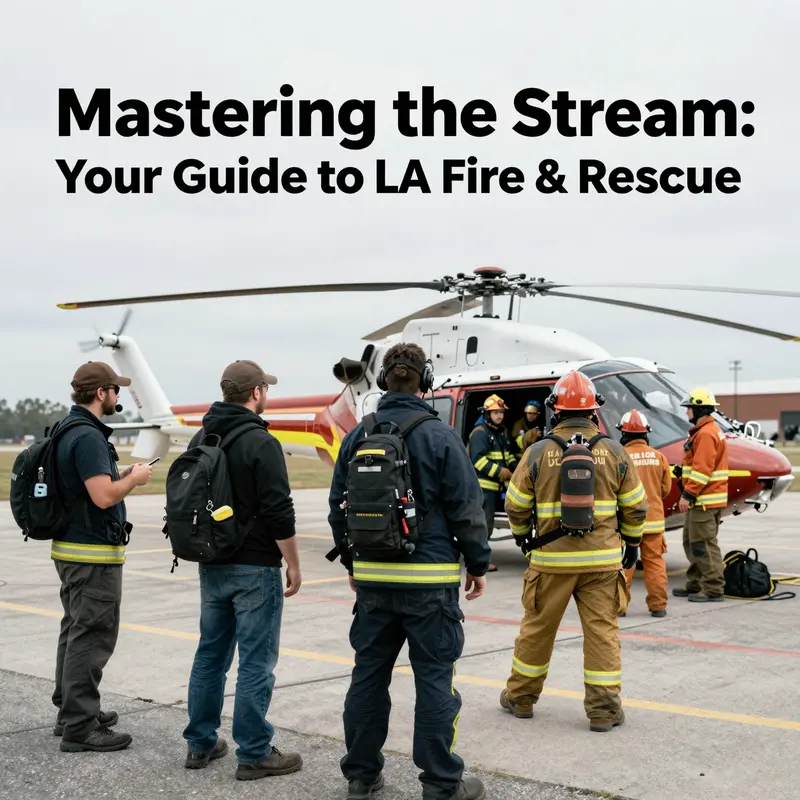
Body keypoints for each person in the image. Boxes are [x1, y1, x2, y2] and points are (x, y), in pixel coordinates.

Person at [328, 342, 491, 800]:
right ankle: (441, 783)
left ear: (383, 381)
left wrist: (352, 563)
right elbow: (467, 507)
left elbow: (337, 508)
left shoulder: (358, 436)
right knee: (435, 682)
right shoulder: (440, 436)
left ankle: (361, 776)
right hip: (430, 586)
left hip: (374, 584)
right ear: (426, 380)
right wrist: (477, 563)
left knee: (367, 678)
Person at [501, 371, 647, 731]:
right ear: (594, 410)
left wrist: (523, 539)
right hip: (602, 563)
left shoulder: (537, 451)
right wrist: (630, 544)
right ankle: (603, 710)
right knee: (602, 634)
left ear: (555, 409)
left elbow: (515, 506)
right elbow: (636, 507)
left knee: (536, 631)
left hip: (550, 563)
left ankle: (521, 699)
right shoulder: (615, 452)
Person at [182, 359, 303, 781]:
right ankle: (253, 752)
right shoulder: (259, 440)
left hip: (212, 563)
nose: (266, 394)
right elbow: (278, 510)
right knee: (255, 662)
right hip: (255, 567)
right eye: (265, 388)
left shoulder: (204, 434)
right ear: (255, 393)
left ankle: (200, 743)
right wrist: (293, 561)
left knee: (210, 654)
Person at [52, 361, 153, 752]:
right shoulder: (89, 437)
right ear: (101, 393)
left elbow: (90, 485)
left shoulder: (68, 428)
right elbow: (104, 496)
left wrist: (120, 471)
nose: (119, 396)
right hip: (91, 554)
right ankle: (80, 726)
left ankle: (71, 710)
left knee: (75, 629)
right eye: (116, 389)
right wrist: (134, 479)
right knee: (92, 634)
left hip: (72, 549)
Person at [673, 387, 729, 603]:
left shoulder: (706, 434)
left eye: (689, 408)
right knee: (691, 541)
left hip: (704, 500)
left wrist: (687, 494)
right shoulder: (707, 432)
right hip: (705, 500)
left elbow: (702, 469)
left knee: (703, 544)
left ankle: (714, 588)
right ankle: (696, 582)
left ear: (699, 409)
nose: (687, 412)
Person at [616, 409, 673, 617]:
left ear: (623, 434)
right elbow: (665, 489)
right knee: (655, 564)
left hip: (628, 522)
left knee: (624, 563)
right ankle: (658, 607)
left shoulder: (620, 457)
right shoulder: (658, 457)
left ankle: (619, 607)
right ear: (646, 433)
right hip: (654, 522)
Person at [467, 394, 518, 572]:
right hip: (483, 488)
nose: (499, 416)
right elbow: (477, 461)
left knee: (487, 525)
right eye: (495, 413)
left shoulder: (501, 432)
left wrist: (515, 468)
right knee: (483, 526)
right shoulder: (480, 433)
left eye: (501, 412)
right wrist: (501, 472)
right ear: (487, 414)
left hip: (495, 487)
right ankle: (479, 562)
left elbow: (508, 454)